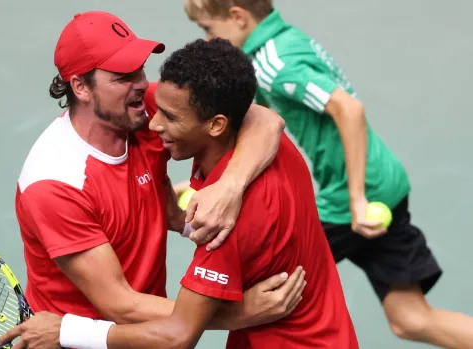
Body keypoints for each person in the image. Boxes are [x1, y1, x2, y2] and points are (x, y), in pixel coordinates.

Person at [0, 37, 358, 349]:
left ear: (216, 124)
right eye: (124, 76)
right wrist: (199, 211)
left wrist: (66, 329)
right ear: (80, 87)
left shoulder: (225, 224)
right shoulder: (59, 182)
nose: (152, 118)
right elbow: (261, 118)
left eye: (140, 71)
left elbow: (177, 334)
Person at [179, 1, 473, 348]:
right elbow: (254, 127)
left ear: (238, 17)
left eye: (209, 29)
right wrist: (209, 183)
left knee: (263, 283)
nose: (210, 40)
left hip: (356, 196)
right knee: (410, 318)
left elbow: (349, 109)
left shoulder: (276, 64)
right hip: (384, 184)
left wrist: (357, 199)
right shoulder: (287, 41)